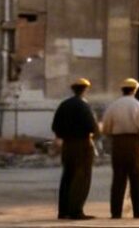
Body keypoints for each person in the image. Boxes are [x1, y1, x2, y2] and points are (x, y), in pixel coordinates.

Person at [99, 78, 139, 219]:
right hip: (133, 142)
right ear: (134, 90)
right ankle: (138, 211)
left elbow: (106, 128)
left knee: (118, 178)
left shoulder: (113, 106)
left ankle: (115, 212)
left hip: (117, 143)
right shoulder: (137, 105)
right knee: (137, 177)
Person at [51, 77, 100, 221]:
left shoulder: (64, 105)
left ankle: (63, 210)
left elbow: (55, 126)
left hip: (67, 144)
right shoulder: (84, 105)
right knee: (81, 177)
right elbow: (92, 126)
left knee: (67, 176)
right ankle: (76, 210)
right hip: (82, 144)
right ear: (85, 90)